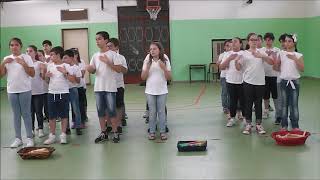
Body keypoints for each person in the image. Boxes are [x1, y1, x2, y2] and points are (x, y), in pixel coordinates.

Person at [86, 31, 122, 143]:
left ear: (106, 40)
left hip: (110, 88)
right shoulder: (95, 56)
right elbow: (93, 70)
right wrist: (89, 68)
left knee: (112, 111)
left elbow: (119, 69)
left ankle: (115, 132)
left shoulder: (113, 55)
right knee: (100, 111)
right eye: (96, 39)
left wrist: (108, 62)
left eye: (99, 39)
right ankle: (103, 132)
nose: (97, 41)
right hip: (98, 88)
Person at [235, 33, 274, 135]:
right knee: (248, 103)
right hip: (248, 82)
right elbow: (238, 68)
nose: (254, 41)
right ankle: (248, 125)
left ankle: (258, 124)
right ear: (248, 41)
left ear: (258, 41)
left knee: (258, 103)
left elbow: (271, 62)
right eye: (252, 40)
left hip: (260, 82)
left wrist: (262, 56)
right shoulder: (244, 53)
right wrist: (236, 62)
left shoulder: (262, 52)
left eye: (256, 40)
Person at [0, 37, 35, 148]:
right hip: (12, 91)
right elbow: (1, 75)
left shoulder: (27, 57)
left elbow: (32, 74)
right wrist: (3, 63)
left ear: (20, 46)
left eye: (16, 45)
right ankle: (18, 138)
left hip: (25, 90)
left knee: (26, 114)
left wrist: (23, 63)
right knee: (15, 115)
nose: (14, 47)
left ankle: (29, 138)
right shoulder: (7, 58)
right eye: (12, 45)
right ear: (9, 47)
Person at [141, 41, 172, 140]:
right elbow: (143, 77)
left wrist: (164, 69)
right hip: (150, 91)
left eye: (154, 49)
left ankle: (162, 131)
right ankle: (152, 131)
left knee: (161, 112)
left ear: (159, 50)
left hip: (162, 91)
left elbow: (169, 78)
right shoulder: (147, 59)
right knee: (152, 112)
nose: (152, 51)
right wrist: (147, 68)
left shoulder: (165, 59)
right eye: (150, 49)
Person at [275, 34, 304, 131]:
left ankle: (295, 125)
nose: (286, 43)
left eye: (289, 41)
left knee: (294, 105)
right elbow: (276, 67)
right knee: (284, 105)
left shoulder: (298, 55)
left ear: (294, 43)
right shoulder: (281, 53)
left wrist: (295, 59)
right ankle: (284, 125)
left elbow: (302, 69)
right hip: (284, 82)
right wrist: (276, 62)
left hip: (294, 83)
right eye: (285, 41)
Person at [43, 46, 70, 145]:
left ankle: (63, 135)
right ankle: (52, 136)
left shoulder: (66, 66)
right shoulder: (49, 66)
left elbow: (71, 80)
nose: (50, 57)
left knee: (64, 115)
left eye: (52, 55)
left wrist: (65, 72)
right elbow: (47, 81)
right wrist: (46, 77)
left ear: (58, 55)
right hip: (51, 93)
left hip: (63, 93)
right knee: (51, 116)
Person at [220, 37, 245, 127]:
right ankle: (232, 118)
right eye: (232, 42)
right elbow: (222, 67)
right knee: (232, 101)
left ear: (240, 44)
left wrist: (237, 60)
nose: (233, 43)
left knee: (243, 101)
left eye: (235, 41)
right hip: (230, 81)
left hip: (242, 81)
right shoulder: (227, 54)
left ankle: (246, 119)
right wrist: (229, 58)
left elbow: (241, 68)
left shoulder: (244, 53)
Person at [107, 38, 128, 134]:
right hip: (107, 86)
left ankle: (118, 124)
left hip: (118, 85)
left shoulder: (121, 57)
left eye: (110, 46)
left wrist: (118, 67)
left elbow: (124, 70)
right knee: (108, 106)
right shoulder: (104, 57)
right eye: (107, 46)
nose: (108, 48)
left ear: (116, 47)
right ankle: (110, 125)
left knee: (118, 106)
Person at [27, 45, 46, 138]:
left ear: (35, 53)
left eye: (30, 51)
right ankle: (31, 129)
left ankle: (41, 129)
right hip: (27, 92)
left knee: (39, 112)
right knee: (30, 112)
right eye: (27, 51)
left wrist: (44, 72)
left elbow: (43, 76)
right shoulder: (25, 64)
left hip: (38, 91)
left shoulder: (39, 64)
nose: (28, 53)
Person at [260, 33, 280, 119]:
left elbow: (279, 63)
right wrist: (266, 55)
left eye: (270, 40)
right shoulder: (261, 50)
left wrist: (273, 55)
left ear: (273, 40)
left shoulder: (277, 50)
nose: (268, 42)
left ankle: (278, 112)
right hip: (264, 76)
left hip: (275, 76)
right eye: (266, 40)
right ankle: (266, 111)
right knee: (266, 95)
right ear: (264, 41)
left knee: (275, 95)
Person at [62, 49, 83, 135]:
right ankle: (66, 128)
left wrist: (68, 75)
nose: (63, 60)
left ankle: (78, 126)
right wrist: (71, 76)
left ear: (71, 58)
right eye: (63, 58)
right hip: (64, 90)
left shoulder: (76, 67)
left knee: (76, 109)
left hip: (73, 89)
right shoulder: (63, 66)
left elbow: (77, 81)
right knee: (65, 110)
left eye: (65, 58)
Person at [216, 39, 232, 117]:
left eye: (230, 45)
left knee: (230, 93)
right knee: (224, 92)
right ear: (225, 47)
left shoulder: (234, 54)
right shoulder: (222, 55)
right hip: (224, 76)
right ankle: (225, 107)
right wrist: (221, 62)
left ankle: (230, 106)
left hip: (231, 77)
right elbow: (219, 64)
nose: (228, 47)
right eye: (227, 45)